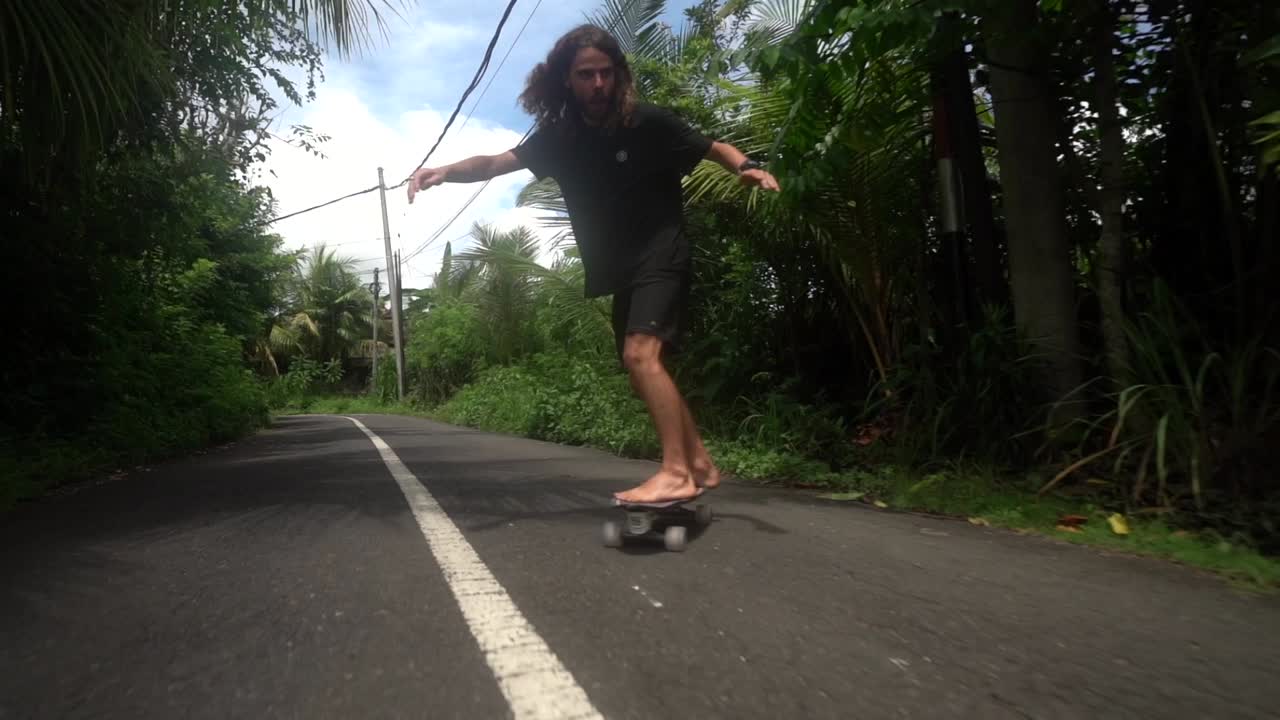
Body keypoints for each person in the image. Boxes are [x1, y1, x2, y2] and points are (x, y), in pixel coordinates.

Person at [407, 24, 780, 505]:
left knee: (641, 356)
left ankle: (676, 473)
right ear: (567, 79)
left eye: (606, 73)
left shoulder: (647, 122)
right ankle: (701, 464)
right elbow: (495, 163)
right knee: (638, 369)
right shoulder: (559, 138)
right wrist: (444, 171)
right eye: (586, 75)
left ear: (618, 75)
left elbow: (714, 148)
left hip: (662, 252)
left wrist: (746, 166)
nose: (598, 84)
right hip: (623, 268)